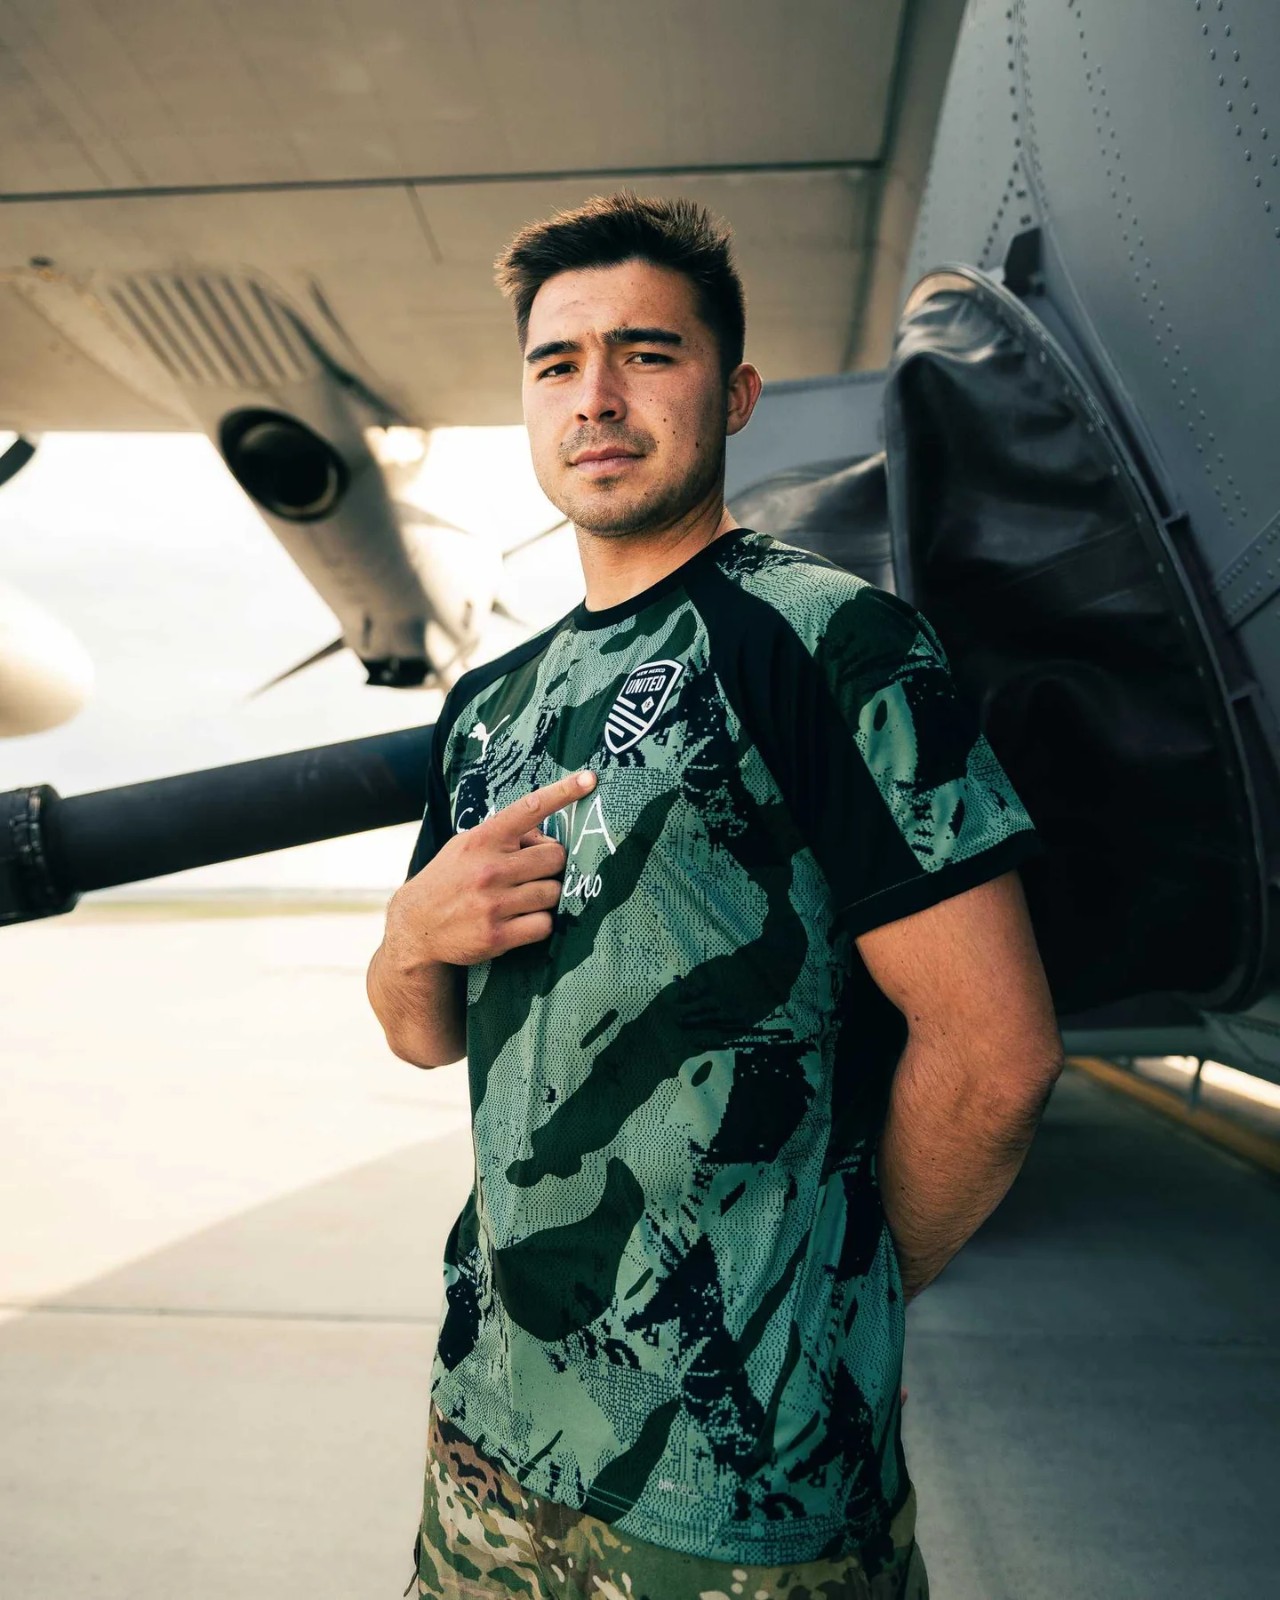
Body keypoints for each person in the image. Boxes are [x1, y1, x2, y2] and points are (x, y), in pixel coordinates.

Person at [367, 193, 1063, 1600]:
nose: (597, 397)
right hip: (490, 1439)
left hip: (743, 1491)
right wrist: (409, 937)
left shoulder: (831, 644)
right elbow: (425, 1033)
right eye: (558, 364)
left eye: (648, 354)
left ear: (735, 394)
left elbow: (996, 1059)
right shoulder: (490, 704)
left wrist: (832, 1305)